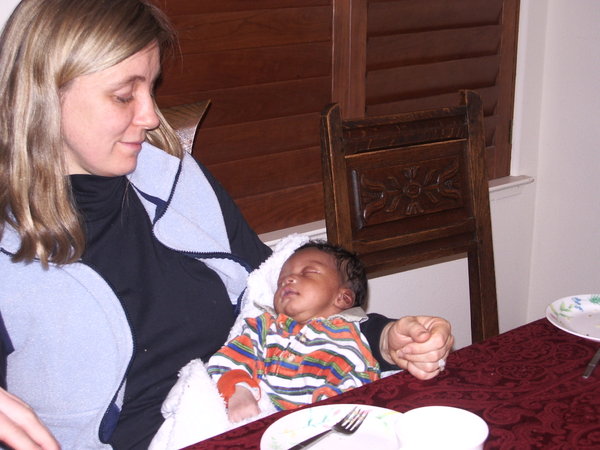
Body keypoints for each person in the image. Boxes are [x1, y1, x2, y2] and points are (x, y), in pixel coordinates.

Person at [0, 0, 453, 448]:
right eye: (123, 95)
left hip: (256, 421)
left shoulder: (173, 176)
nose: (151, 116)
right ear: (42, 95)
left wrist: (382, 338)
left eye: (151, 88)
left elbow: (270, 290)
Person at [208, 241, 380, 422]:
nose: (288, 280)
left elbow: (353, 397)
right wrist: (240, 392)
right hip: (256, 421)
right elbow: (228, 360)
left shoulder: (344, 342)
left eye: (308, 272)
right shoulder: (263, 328)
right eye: (281, 281)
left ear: (343, 298)